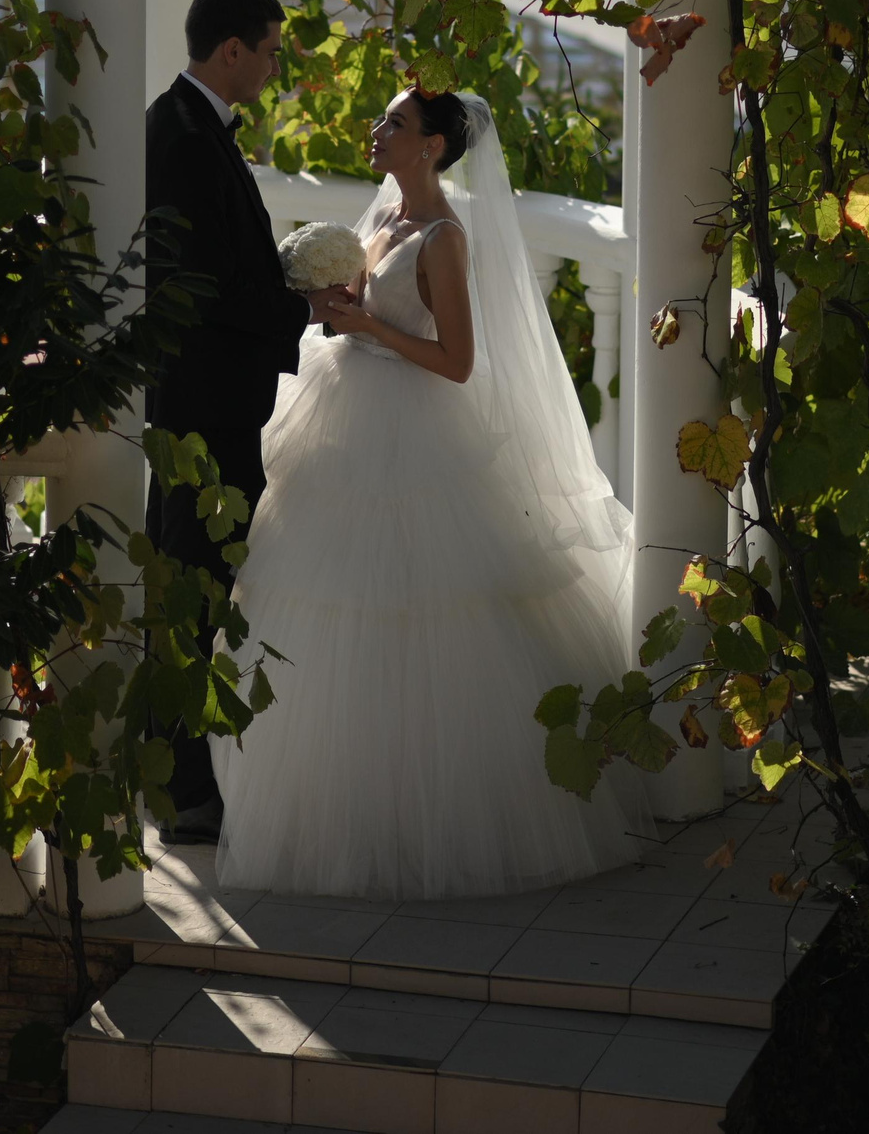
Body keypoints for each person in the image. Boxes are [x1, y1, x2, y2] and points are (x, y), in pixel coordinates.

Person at [213, 87, 648, 898]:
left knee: (424, 612)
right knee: (332, 605)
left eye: (395, 124)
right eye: (381, 118)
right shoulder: (378, 225)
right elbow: (365, 310)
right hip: (348, 418)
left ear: (435, 147)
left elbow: (457, 362)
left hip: (414, 430)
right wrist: (336, 310)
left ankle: (433, 817)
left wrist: (369, 328)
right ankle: (348, 808)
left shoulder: (445, 237)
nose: (376, 131)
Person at [144, 0, 347, 844]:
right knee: (190, 590)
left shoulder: (188, 126)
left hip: (207, 399)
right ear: (232, 50)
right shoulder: (183, 136)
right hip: (200, 403)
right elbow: (206, 285)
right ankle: (186, 790)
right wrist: (306, 311)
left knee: (192, 583)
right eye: (268, 51)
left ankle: (179, 770)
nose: (272, 68)